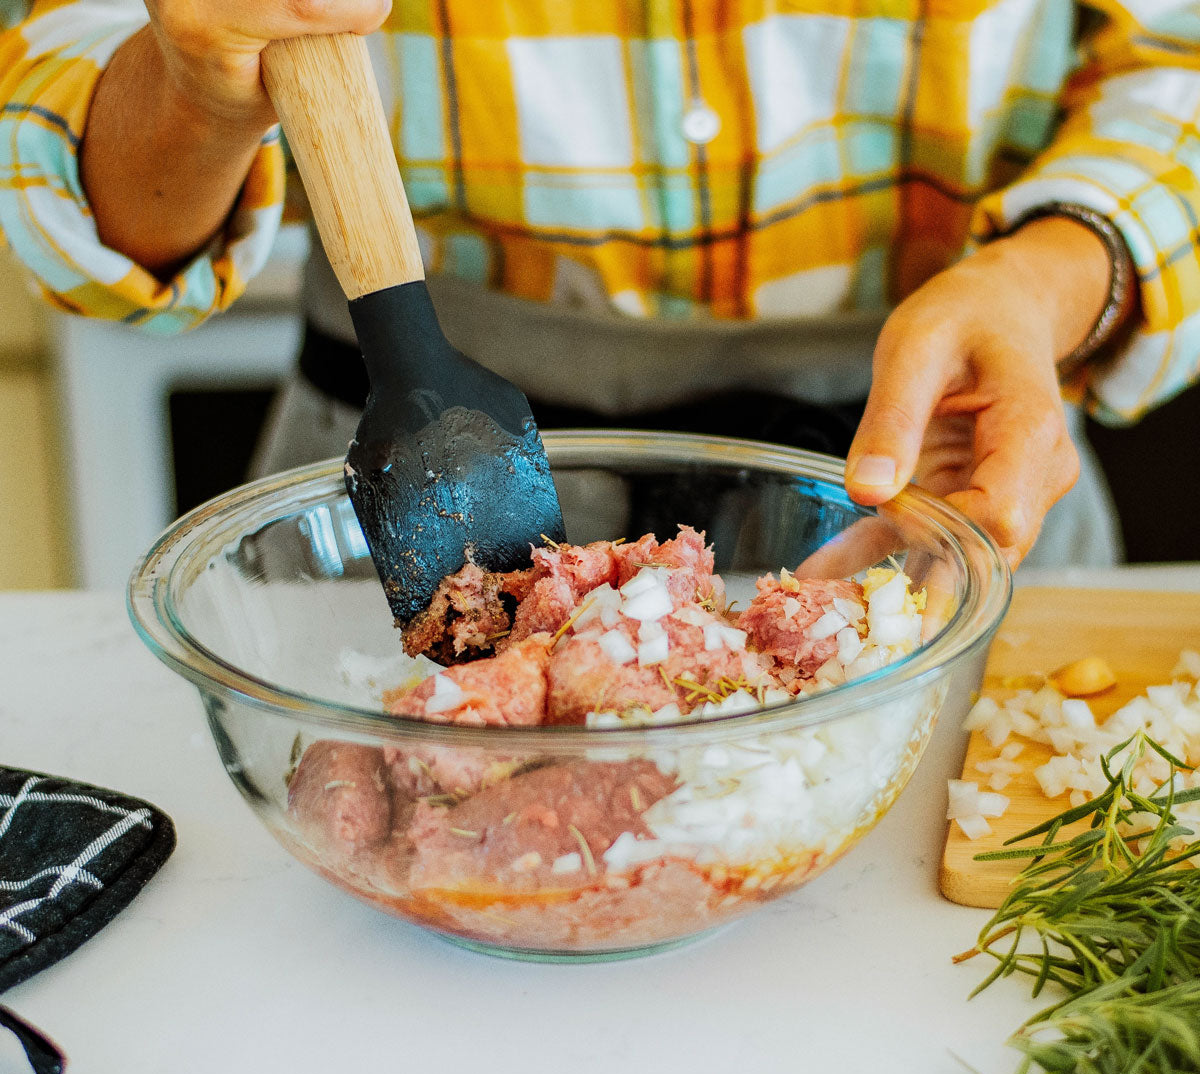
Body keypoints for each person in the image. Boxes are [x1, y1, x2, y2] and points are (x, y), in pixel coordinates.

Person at [1, 1, 1196, 569]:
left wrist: (1046, 283)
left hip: (947, 475)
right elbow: (74, 157)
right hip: (405, 508)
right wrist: (195, 87)